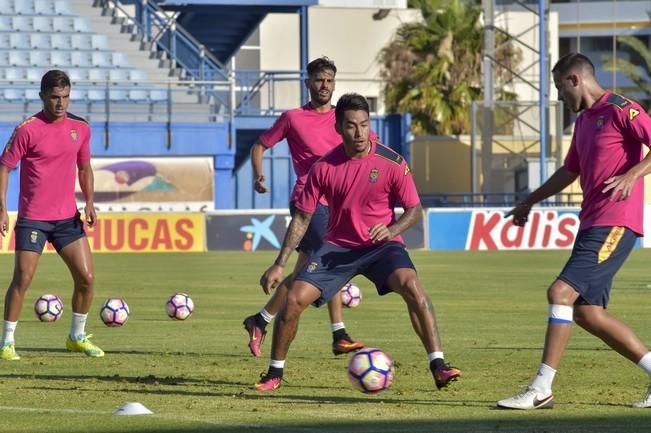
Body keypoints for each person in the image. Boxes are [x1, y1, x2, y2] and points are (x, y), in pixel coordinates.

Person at [254, 93, 461, 391]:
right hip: (338, 247)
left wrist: (392, 229)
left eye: (364, 125)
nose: (359, 132)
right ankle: (274, 374)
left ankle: (439, 365)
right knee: (293, 299)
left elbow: (415, 211)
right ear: (338, 128)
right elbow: (301, 218)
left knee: (413, 287)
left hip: (382, 247)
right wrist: (279, 263)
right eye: (351, 126)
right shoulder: (324, 168)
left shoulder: (392, 162)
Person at [497, 52, 651, 410]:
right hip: (591, 223)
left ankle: (541, 389)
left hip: (616, 221)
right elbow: (570, 171)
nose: (558, 97)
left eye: (558, 88)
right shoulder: (584, 122)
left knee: (560, 292)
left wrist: (633, 174)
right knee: (587, 313)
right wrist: (530, 200)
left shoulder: (620, 109)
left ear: (575, 80)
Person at [243, 57, 363, 358]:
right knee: (332, 258)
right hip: (307, 200)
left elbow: (365, 151)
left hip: (338, 203)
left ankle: (260, 320)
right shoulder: (293, 118)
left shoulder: (344, 120)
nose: (325, 86)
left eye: (330, 80)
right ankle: (339, 333)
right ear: (308, 82)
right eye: (320, 80)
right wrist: (258, 174)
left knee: (306, 273)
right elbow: (259, 146)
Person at [0, 70, 104, 361]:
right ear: (43, 96)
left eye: (66, 97)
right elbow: (4, 168)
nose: (61, 103)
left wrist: (90, 203)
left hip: (67, 218)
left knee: (87, 277)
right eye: (55, 97)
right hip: (33, 218)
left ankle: (77, 336)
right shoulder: (27, 129)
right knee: (23, 278)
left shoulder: (80, 128)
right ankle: (7, 342)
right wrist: (2, 209)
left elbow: (84, 168)